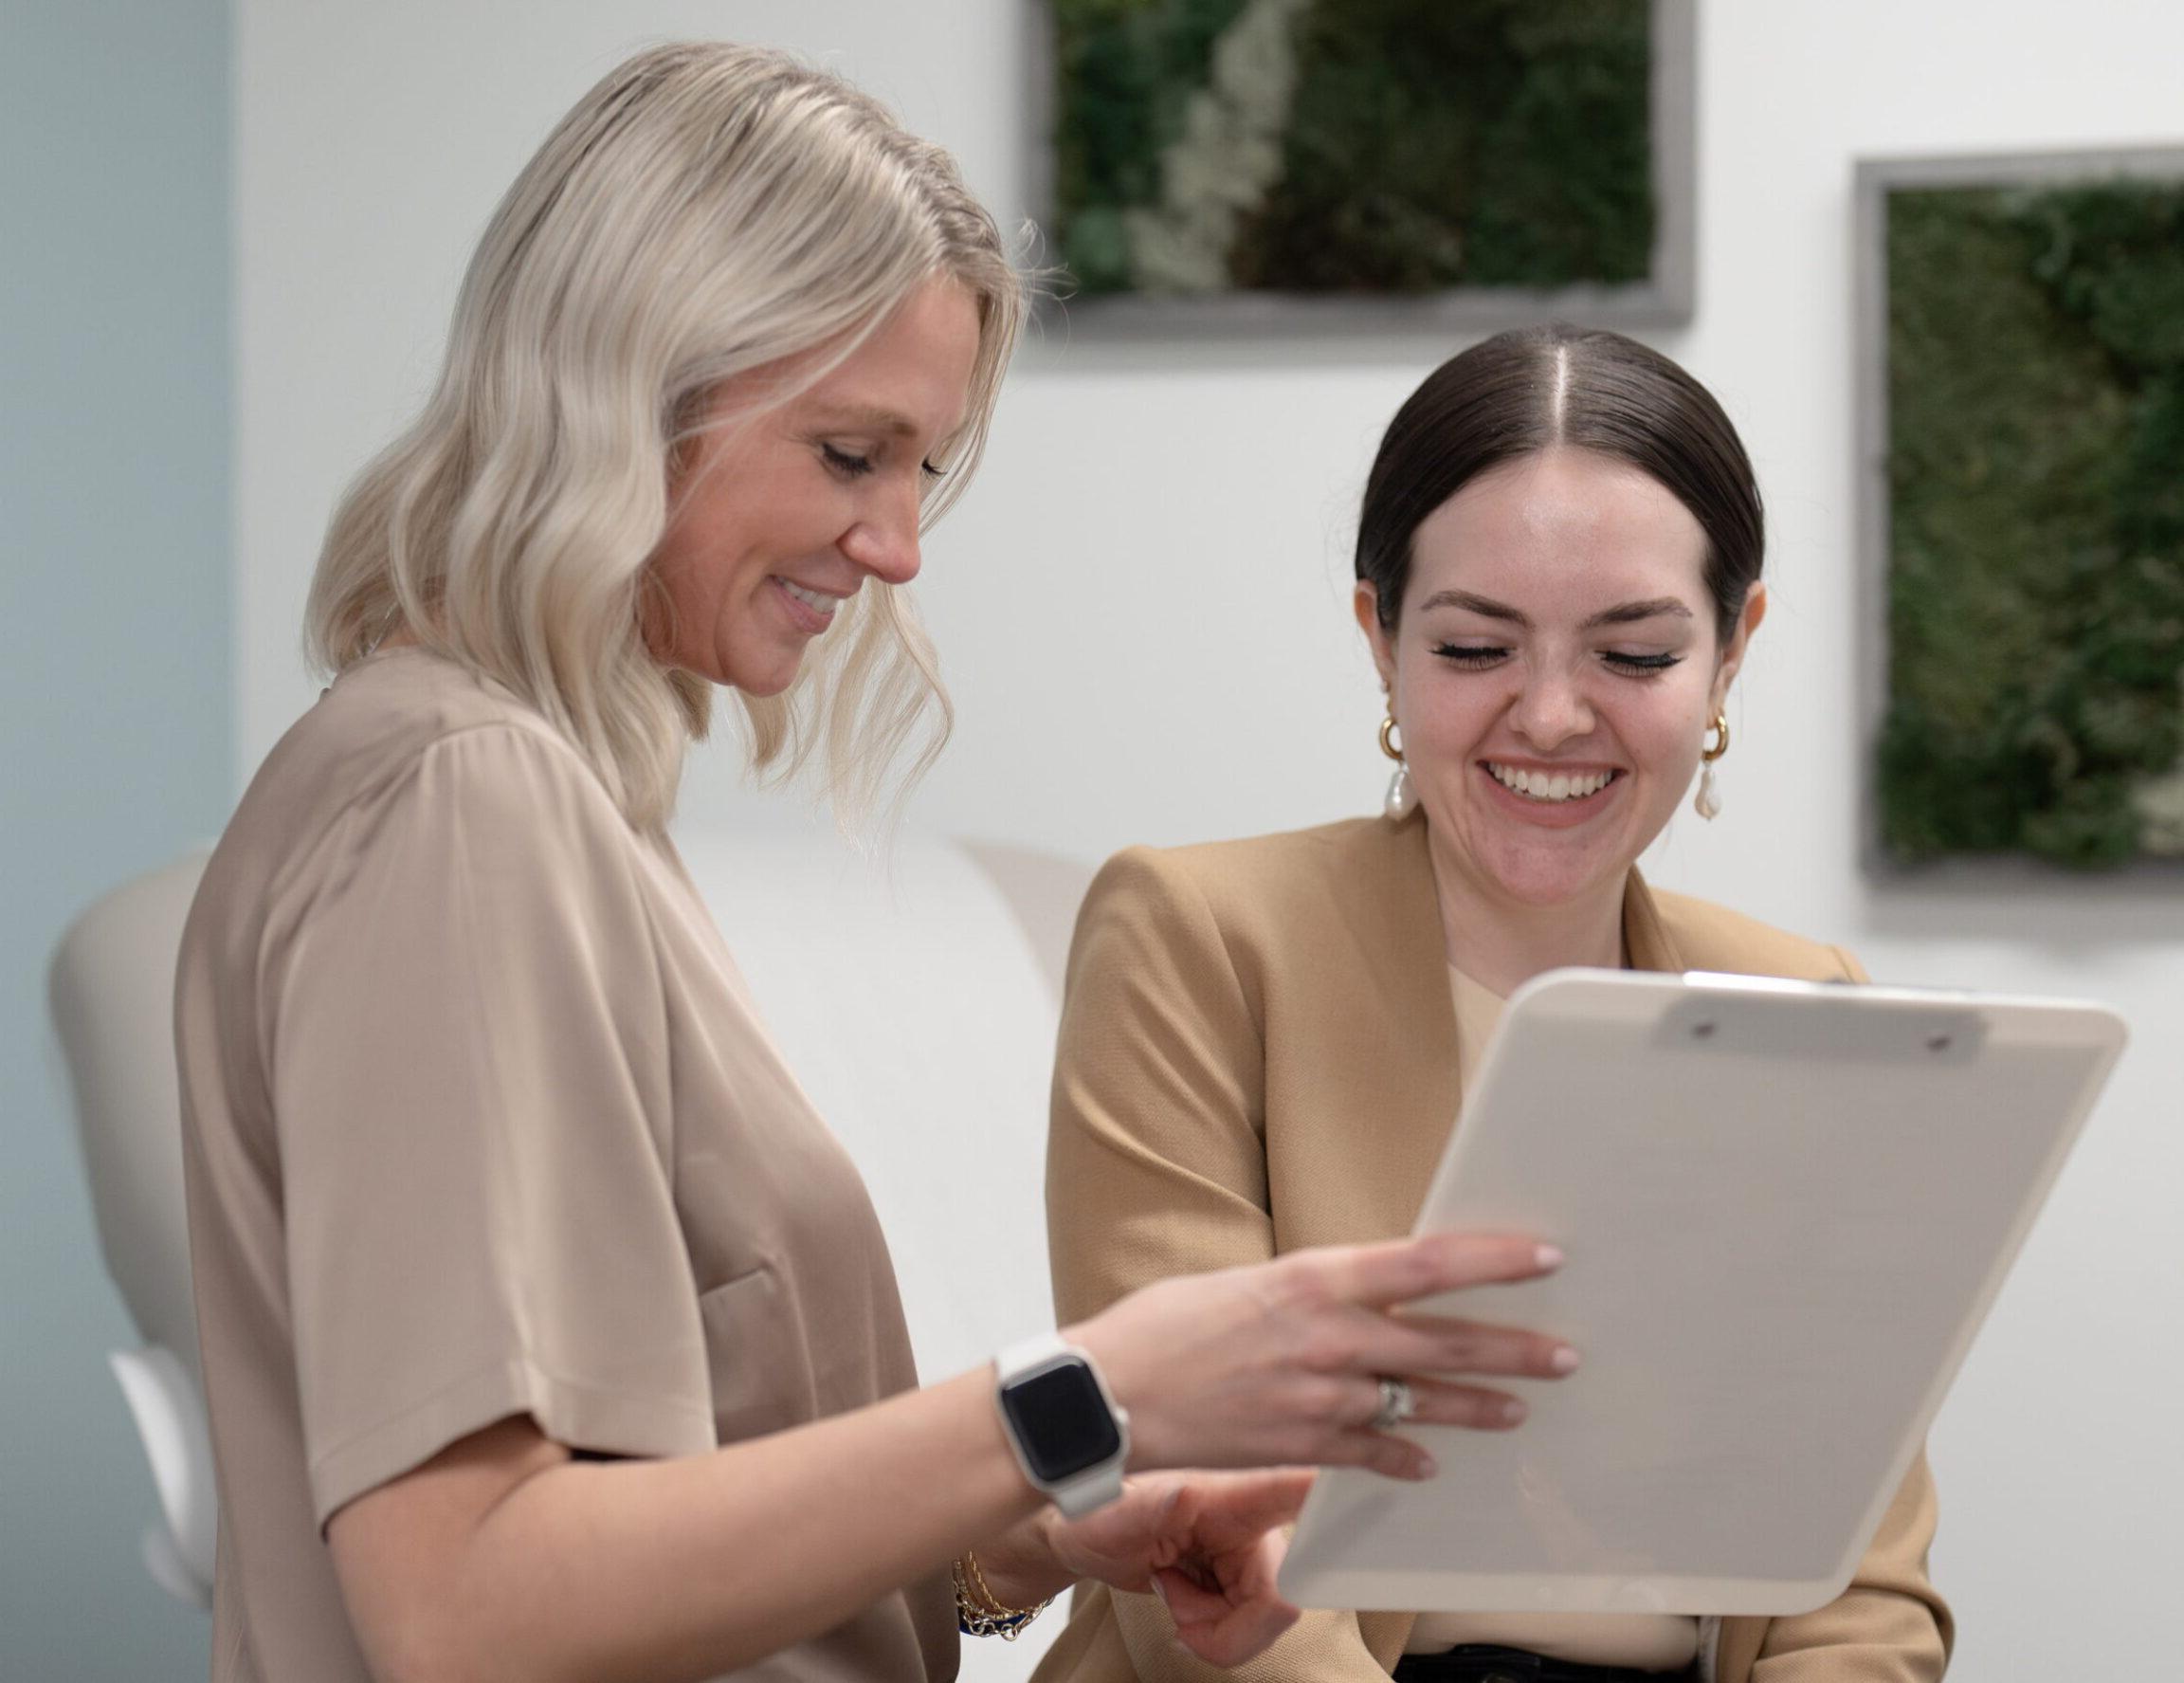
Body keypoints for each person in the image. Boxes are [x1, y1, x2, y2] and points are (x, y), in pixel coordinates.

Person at [172, 45, 1585, 1683]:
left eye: (922, 469)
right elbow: (472, 1604)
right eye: (851, 455)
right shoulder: (454, 801)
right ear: (624, 386)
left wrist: (1045, 1518)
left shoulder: (552, 807)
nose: (900, 545)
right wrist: (1090, 1392)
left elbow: (679, 1516)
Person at [1034, 326, 1956, 1683]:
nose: (1550, 716)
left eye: (1633, 656)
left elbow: (1862, 1593)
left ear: (1731, 654)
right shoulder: (1200, 938)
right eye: (1475, 647)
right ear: (1380, 636)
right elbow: (1212, 1554)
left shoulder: (1801, 1004)